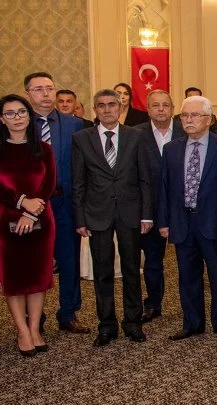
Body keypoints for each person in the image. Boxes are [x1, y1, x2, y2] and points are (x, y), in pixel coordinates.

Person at [72, 89, 155, 346]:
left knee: (132, 269)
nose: (107, 109)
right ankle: (106, 325)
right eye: (101, 105)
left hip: (130, 213)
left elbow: (145, 179)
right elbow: (78, 182)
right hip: (97, 214)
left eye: (112, 104)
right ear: (95, 110)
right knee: (102, 272)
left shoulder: (136, 136)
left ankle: (133, 322)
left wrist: (147, 215)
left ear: (120, 108)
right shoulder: (82, 139)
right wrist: (80, 219)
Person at [156, 95, 217, 342]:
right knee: (187, 275)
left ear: (208, 119)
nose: (188, 120)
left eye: (194, 115)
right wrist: (164, 221)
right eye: (184, 116)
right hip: (182, 222)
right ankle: (192, 323)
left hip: (215, 221)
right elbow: (164, 187)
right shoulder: (171, 149)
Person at [24, 73, 89, 334]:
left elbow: (83, 167)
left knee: (69, 258)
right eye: (38, 89)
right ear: (28, 94)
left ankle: (68, 312)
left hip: (64, 202)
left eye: (49, 88)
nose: (46, 94)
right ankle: (34, 316)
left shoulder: (75, 124)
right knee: (33, 261)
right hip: (30, 206)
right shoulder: (19, 124)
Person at [0, 94, 56, 356]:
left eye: (21, 112)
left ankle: (34, 329)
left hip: (41, 220)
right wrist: (23, 202)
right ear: (2, 119)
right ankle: (22, 331)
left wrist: (32, 213)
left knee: (38, 277)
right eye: (10, 113)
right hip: (5, 221)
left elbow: (49, 184)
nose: (17, 117)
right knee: (14, 278)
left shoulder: (43, 149)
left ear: (29, 115)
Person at [132, 90, 184, 323]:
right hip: (150, 208)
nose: (161, 109)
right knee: (153, 260)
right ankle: (153, 304)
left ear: (173, 109)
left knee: (189, 260)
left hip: (183, 207)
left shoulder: (186, 130)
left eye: (165, 105)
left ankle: (191, 308)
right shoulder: (135, 134)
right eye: (156, 105)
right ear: (148, 109)